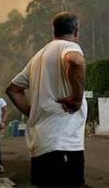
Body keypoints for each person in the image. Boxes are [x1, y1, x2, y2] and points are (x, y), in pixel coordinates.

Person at [6, 11, 87, 187]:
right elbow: (76, 61)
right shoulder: (68, 46)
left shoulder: (37, 58)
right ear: (76, 31)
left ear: (54, 31)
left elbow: (13, 90)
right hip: (63, 144)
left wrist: (34, 111)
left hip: (40, 146)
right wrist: (77, 99)